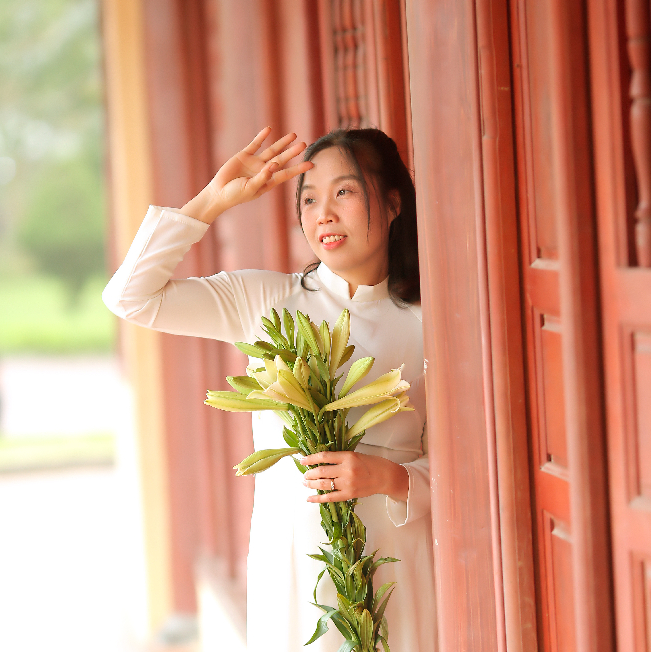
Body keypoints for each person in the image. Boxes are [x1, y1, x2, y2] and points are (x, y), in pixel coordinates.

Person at [103, 126, 436, 652]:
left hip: (396, 570)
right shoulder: (267, 302)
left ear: (393, 203)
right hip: (295, 572)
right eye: (309, 199)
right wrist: (212, 200)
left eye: (344, 192)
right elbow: (130, 297)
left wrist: (389, 476)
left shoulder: (427, 321)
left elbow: (466, 469)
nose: (324, 214)